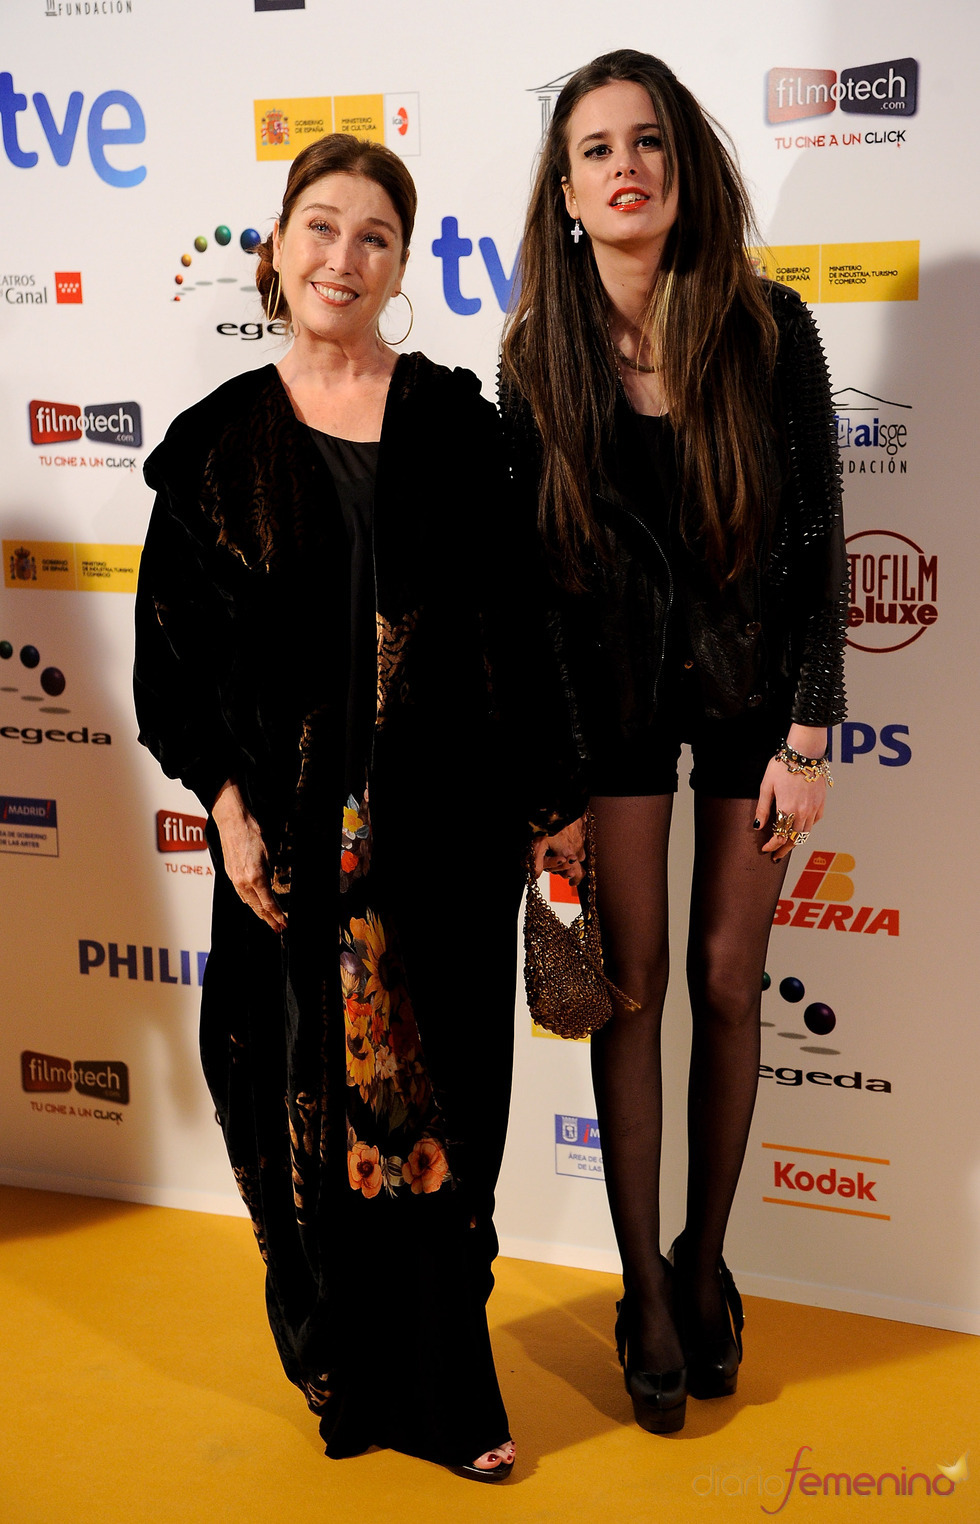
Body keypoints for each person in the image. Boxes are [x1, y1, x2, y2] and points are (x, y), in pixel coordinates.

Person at [134, 132, 574, 1480]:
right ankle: (343, 1363)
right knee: (304, 1108)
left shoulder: (455, 421)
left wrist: (551, 810)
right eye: (320, 226)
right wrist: (226, 803)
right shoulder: (215, 444)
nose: (344, 255)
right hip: (291, 849)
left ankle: (452, 1396)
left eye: (374, 235)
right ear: (276, 247)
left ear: (400, 265)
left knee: (438, 1116)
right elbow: (173, 663)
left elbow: (523, 626)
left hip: (445, 838)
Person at [500, 50, 846, 1434]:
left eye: (647, 140)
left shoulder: (770, 324)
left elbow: (821, 538)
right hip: (615, 711)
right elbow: (528, 594)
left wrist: (812, 727)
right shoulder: (540, 360)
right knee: (634, 987)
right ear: (567, 191)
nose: (624, 164)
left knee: (727, 977)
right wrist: (554, 785)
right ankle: (641, 1286)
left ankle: (710, 1264)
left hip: (761, 695)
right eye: (594, 149)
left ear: (685, 167)